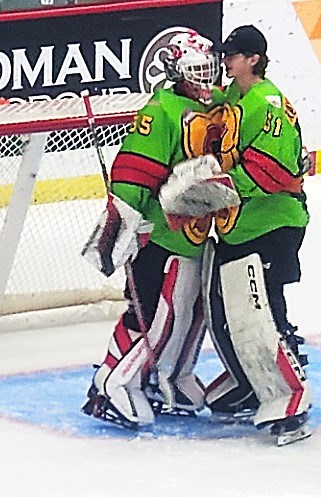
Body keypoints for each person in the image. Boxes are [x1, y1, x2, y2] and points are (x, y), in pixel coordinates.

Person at [81, 29, 239, 429]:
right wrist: (124, 226)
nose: (205, 79)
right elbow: (134, 172)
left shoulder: (218, 104)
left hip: (197, 233)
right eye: (195, 71)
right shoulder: (162, 110)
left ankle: (168, 376)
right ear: (176, 72)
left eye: (208, 69)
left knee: (189, 313)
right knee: (154, 314)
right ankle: (114, 382)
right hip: (160, 235)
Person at [203, 25, 312, 446]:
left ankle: (293, 401)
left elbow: (276, 171)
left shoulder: (266, 103)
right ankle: (253, 382)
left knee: (265, 315)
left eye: (233, 54)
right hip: (242, 225)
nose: (226, 60)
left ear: (254, 59)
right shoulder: (237, 97)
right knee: (231, 312)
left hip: (273, 224)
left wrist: (215, 187)